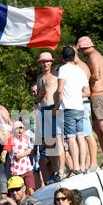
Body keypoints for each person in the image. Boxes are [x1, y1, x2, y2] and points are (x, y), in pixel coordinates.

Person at [77, 36, 103, 169]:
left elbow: (97, 75)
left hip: (98, 94)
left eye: (81, 49)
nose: (81, 52)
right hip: (100, 93)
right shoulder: (98, 56)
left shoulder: (93, 57)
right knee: (98, 126)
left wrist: (83, 79)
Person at [54, 45, 88, 176]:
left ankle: (76, 167)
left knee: (71, 138)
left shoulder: (63, 69)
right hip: (80, 107)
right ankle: (83, 166)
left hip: (68, 108)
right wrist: (76, 94)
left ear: (62, 58)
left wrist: (57, 106)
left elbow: (60, 89)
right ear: (74, 57)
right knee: (81, 136)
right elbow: (87, 92)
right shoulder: (80, 71)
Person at [36, 52, 65, 184]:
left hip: (53, 107)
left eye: (47, 61)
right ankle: (55, 171)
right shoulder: (40, 77)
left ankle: (61, 171)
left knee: (58, 140)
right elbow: (37, 99)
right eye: (43, 62)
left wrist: (57, 107)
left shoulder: (56, 75)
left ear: (51, 62)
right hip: (43, 109)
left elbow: (61, 91)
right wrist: (40, 94)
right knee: (48, 142)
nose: (45, 64)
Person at [72, 45, 99, 173]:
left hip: (82, 104)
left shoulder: (81, 67)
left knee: (88, 135)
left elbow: (86, 90)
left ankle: (93, 163)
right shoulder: (76, 66)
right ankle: (89, 164)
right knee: (82, 136)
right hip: (78, 104)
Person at [1, 121, 36, 196]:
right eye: (17, 128)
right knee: (18, 191)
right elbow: (6, 149)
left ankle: (33, 203)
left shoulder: (26, 138)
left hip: (27, 168)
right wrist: (3, 154)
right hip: (16, 171)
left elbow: (30, 149)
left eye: (21, 128)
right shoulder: (11, 139)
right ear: (13, 130)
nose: (20, 130)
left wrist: (22, 154)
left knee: (30, 189)